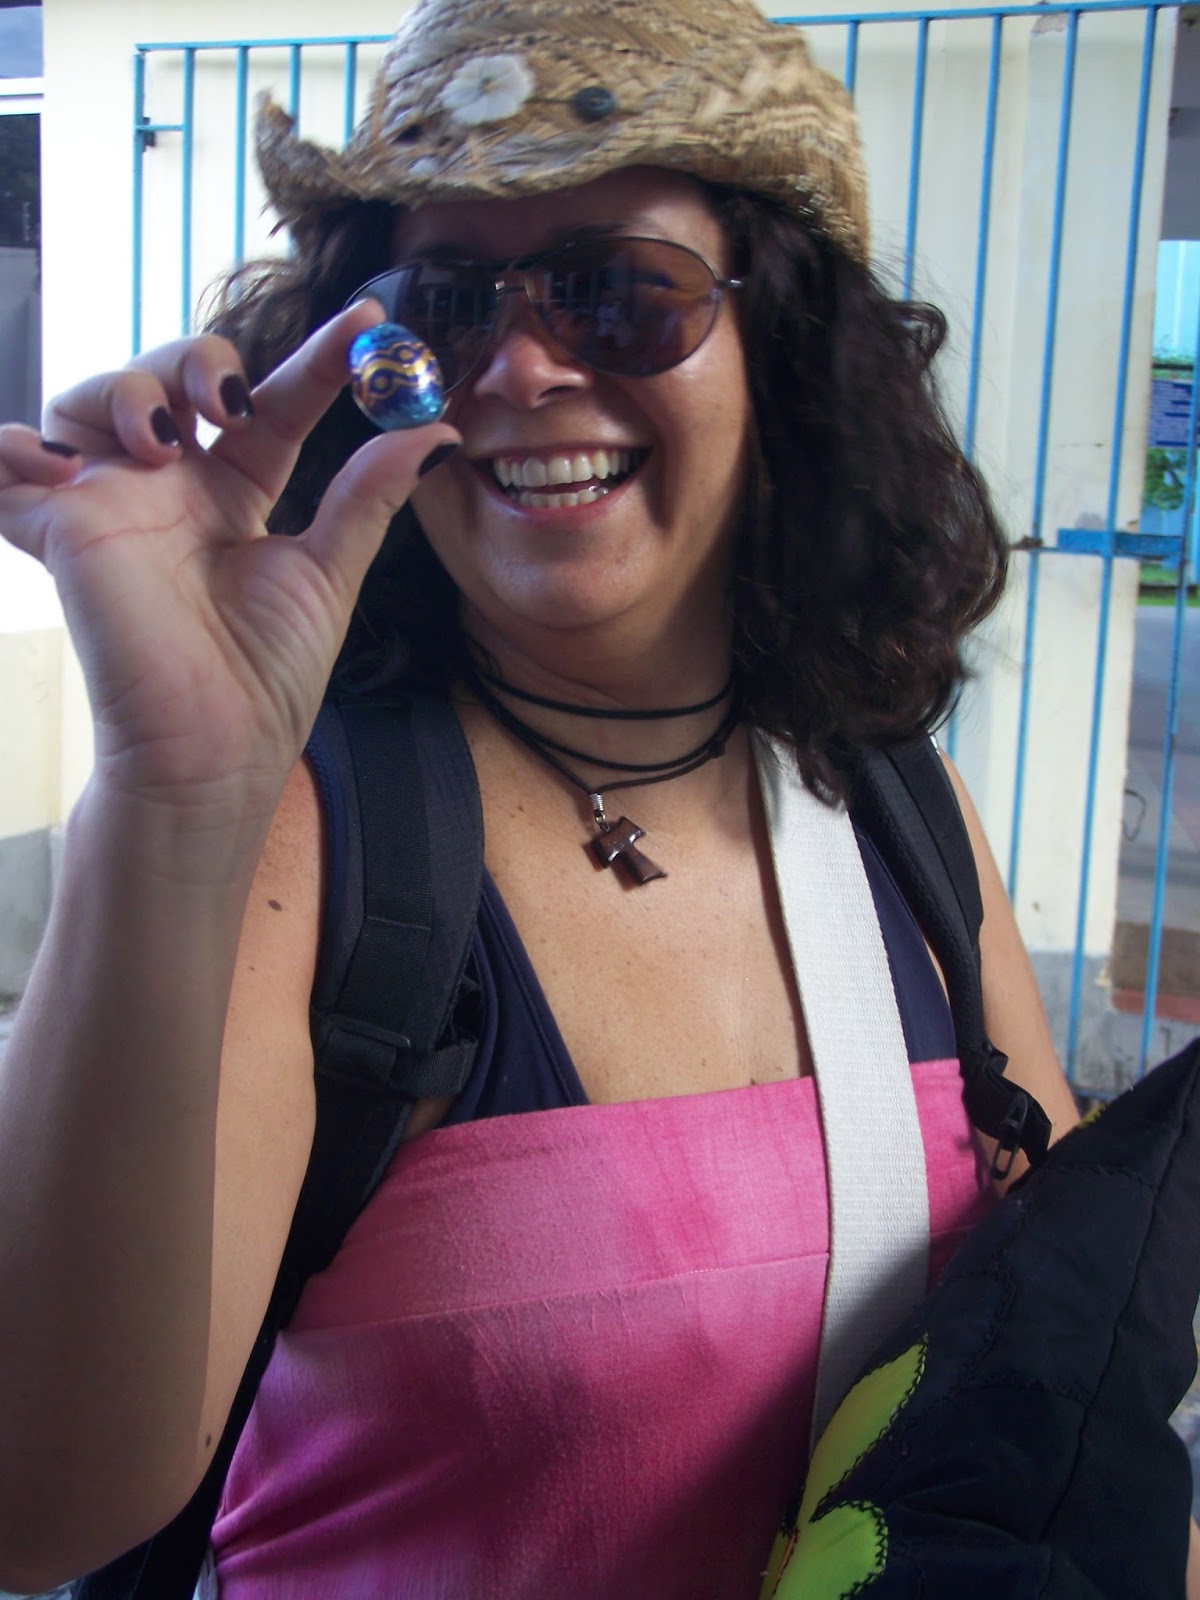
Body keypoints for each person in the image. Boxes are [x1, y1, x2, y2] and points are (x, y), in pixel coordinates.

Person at [1, 0, 1193, 1595]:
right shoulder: (304, 847)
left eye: (621, 293)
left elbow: (1038, 1386)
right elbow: (39, 1503)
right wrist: (173, 797)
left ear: (785, 348)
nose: (519, 368)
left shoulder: (897, 808)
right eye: (442, 307)